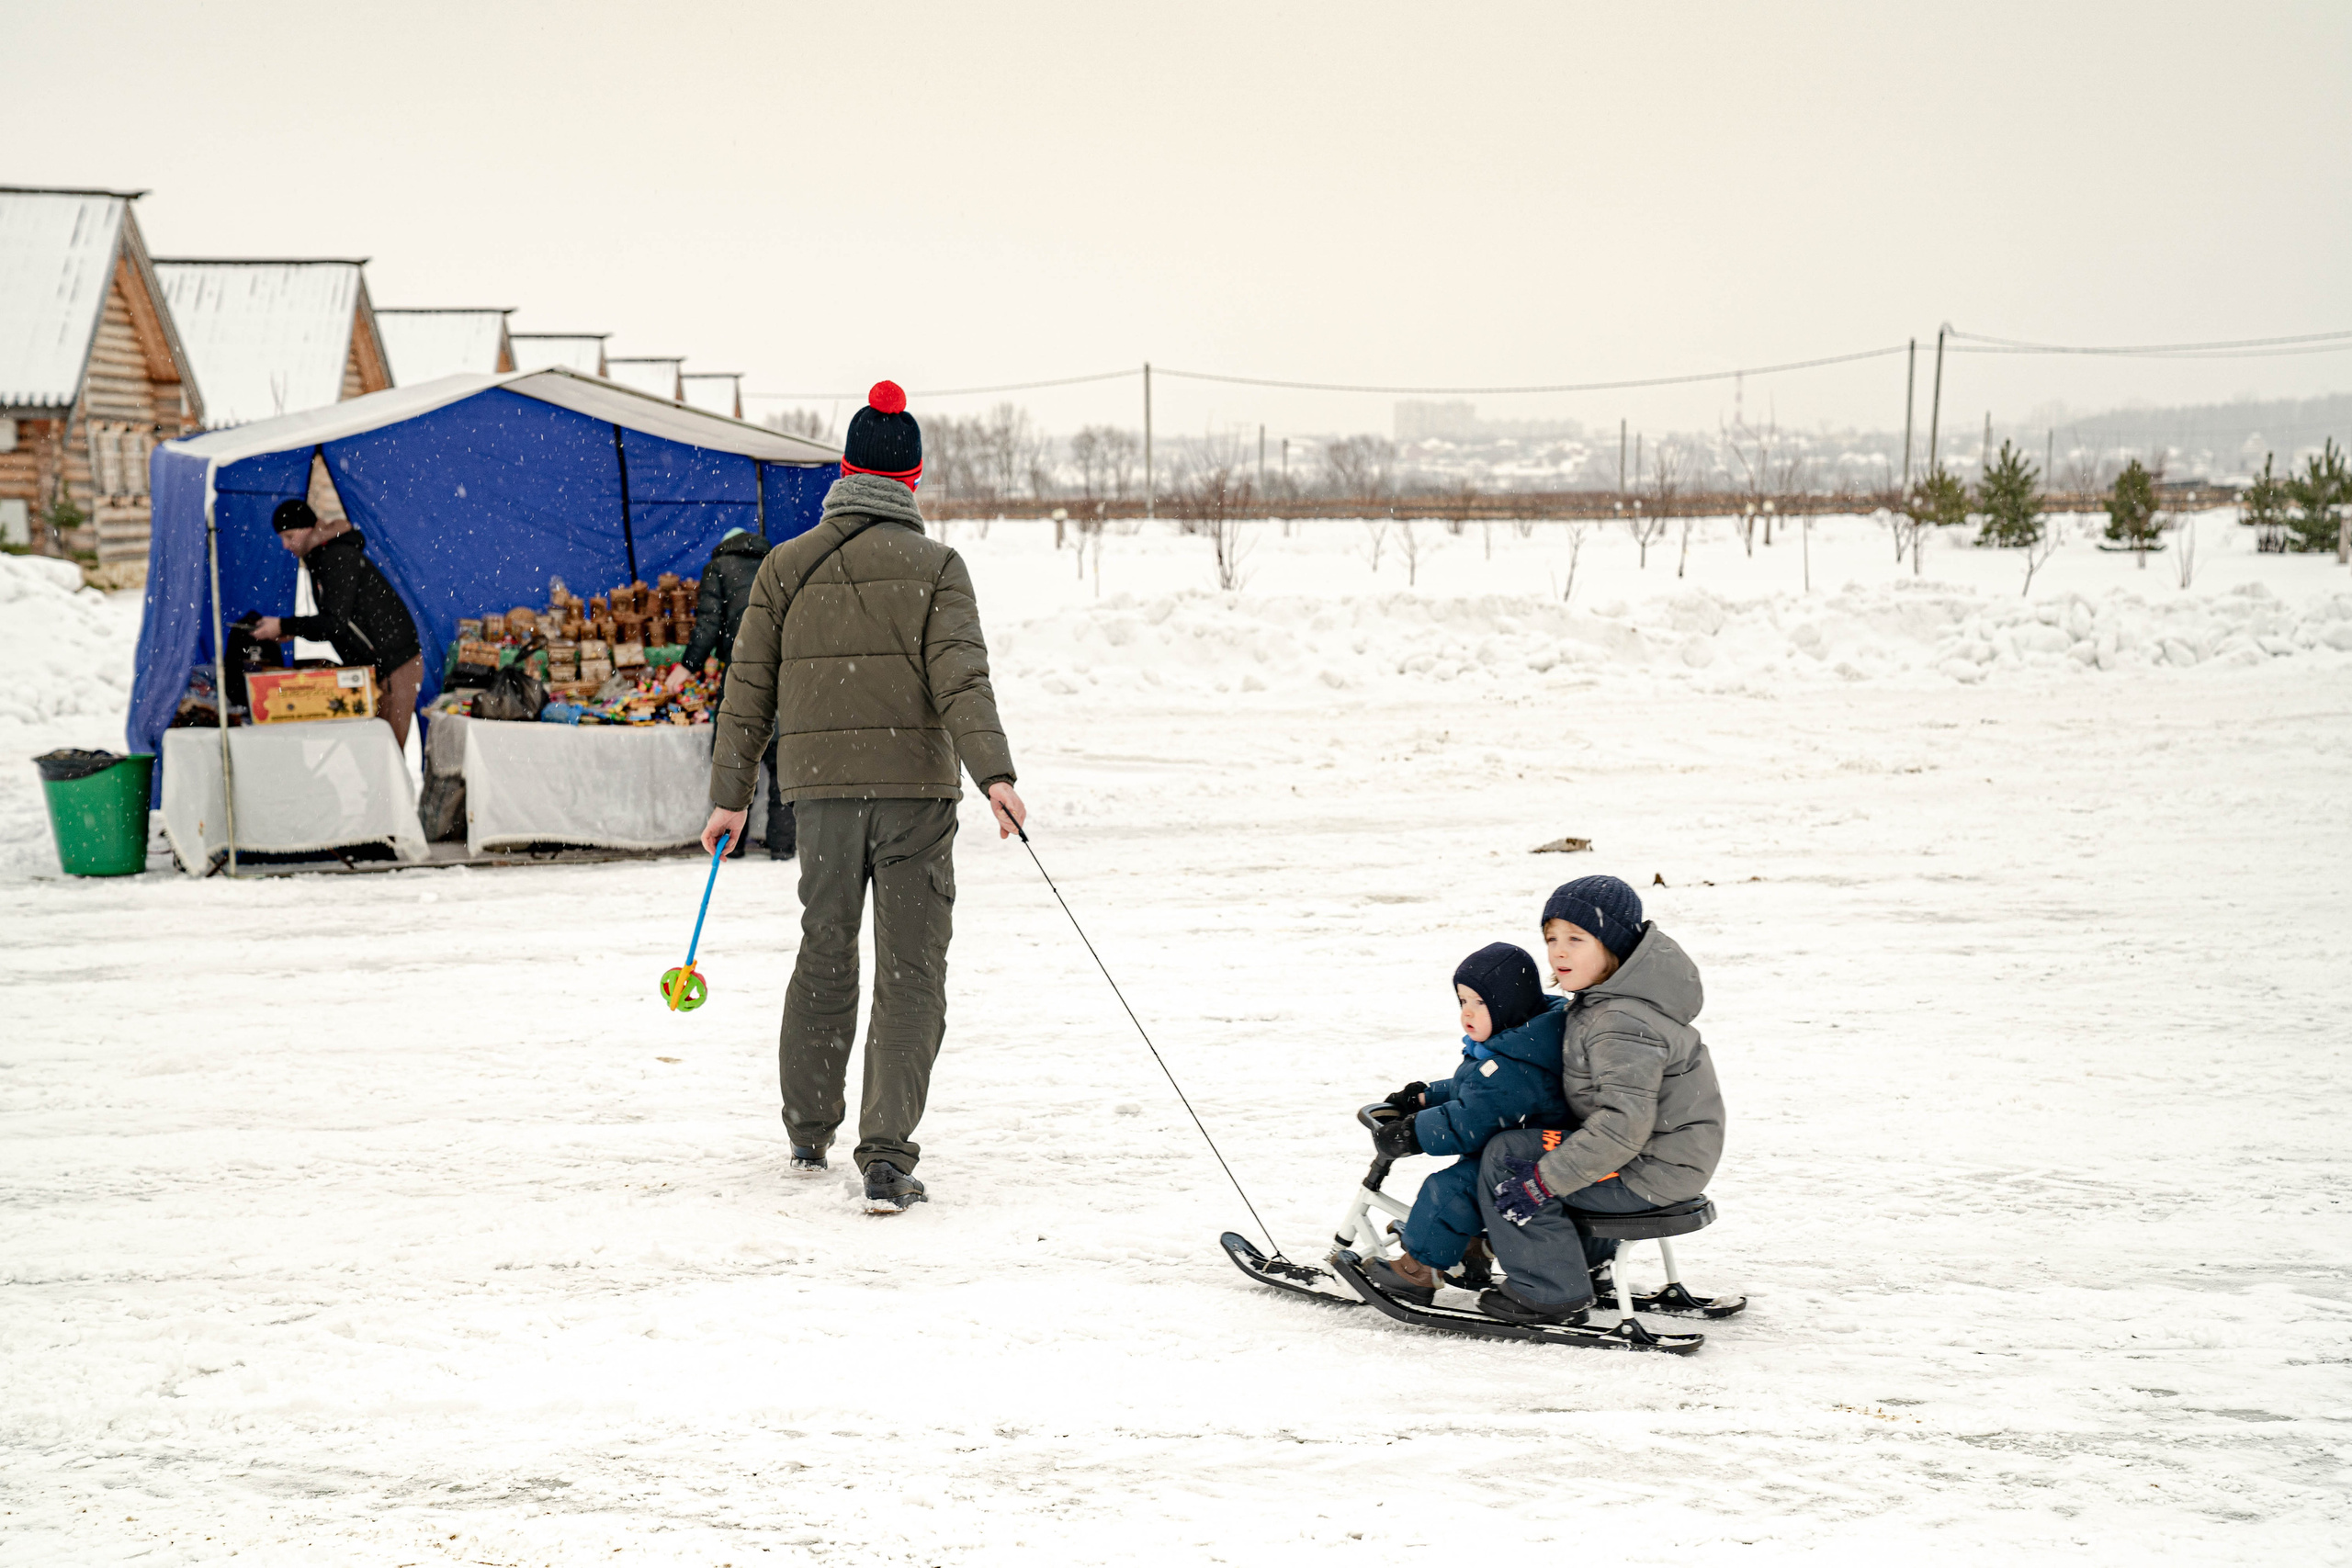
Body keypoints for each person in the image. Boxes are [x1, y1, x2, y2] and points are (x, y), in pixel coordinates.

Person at [701, 380, 1025, 1215]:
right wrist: (995, 774)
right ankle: (885, 1157)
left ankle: (809, 1128)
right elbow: (965, 680)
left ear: (843, 471)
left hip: (819, 798)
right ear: (912, 478)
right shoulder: (938, 567)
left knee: (825, 950)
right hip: (916, 796)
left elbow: (748, 691)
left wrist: (730, 797)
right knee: (912, 969)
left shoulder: (785, 564)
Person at [1474, 876, 1725, 1326]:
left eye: (1576, 938)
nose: (1559, 952)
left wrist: (1542, 1182)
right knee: (1535, 1147)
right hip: (1662, 1159)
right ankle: (1581, 1262)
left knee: (1508, 1156)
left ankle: (1551, 1291)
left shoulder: (1619, 1021)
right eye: (1551, 938)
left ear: (1614, 947)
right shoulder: (1612, 1002)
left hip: (1649, 1169)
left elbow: (1620, 1128)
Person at [1360, 942, 1571, 1305]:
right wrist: (1424, 1097)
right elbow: (1473, 1087)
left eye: (1479, 1003)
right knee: (1467, 1180)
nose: (1467, 1013)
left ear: (1509, 1003)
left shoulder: (1517, 1063)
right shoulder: (1521, 1039)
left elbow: (1471, 1119)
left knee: (1450, 1192)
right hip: (1521, 1148)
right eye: (1462, 1002)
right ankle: (1472, 1251)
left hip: (1526, 1162)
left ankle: (1418, 1269)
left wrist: (1413, 1134)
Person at [249, 499, 424, 750]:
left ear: (308, 528)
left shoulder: (336, 556)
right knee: (372, 753)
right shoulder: (322, 556)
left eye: (289, 536)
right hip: (373, 665)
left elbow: (334, 624)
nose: (285, 545)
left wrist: (285, 626)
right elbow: (340, 620)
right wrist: (292, 631)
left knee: (386, 753)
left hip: (394, 664)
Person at [680, 525, 793, 860]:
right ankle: (783, 846)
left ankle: (731, 846)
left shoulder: (718, 567)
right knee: (780, 765)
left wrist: (688, 664)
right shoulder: (776, 563)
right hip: (781, 673)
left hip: (741, 672)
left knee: (737, 756)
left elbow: (708, 623)